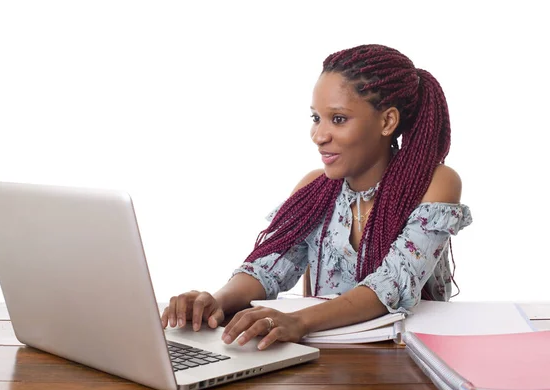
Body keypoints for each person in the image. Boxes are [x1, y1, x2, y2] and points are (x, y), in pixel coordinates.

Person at [161, 44, 472, 350]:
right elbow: (268, 269)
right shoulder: (315, 189)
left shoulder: (435, 183)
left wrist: (299, 321)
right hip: (327, 363)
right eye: (315, 118)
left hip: (407, 361)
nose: (319, 136)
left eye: (338, 119)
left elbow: (391, 286)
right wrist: (216, 300)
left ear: (387, 121)